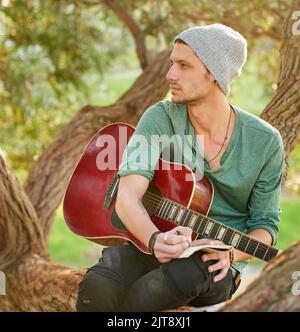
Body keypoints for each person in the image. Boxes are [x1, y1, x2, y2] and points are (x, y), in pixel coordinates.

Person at [76, 24, 284, 312]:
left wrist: (232, 255)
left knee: (175, 279)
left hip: (212, 263)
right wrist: (154, 239)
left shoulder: (265, 141)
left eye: (183, 65)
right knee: (99, 284)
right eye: (172, 63)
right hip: (151, 239)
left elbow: (265, 226)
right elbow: (127, 195)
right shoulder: (160, 117)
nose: (169, 75)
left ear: (214, 73)